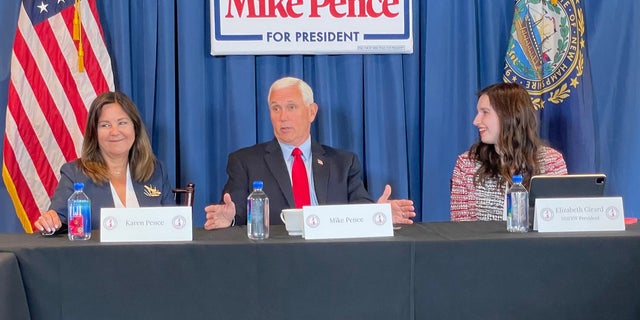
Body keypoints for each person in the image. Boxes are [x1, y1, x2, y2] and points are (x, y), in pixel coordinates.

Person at [204, 76, 415, 229]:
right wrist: (229, 218)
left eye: (291, 107)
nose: (283, 116)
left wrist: (377, 214)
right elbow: (237, 211)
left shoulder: (343, 162)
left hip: (331, 257)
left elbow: (359, 209)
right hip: (273, 259)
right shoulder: (245, 161)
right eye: (276, 108)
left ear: (311, 112)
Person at [34, 91, 174, 234]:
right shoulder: (74, 174)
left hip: (151, 256)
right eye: (105, 125)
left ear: (135, 128)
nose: (115, 131)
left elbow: (172, 225)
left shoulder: (156, 170)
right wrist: (51, 221)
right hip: (95, 256)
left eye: (122, 123)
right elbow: (59, 220)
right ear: (94, 133)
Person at [450, 82, 568, 221]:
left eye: (485, 112)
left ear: (509, 115)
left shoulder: (552, 161)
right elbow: (460, 230)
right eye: (478, 113)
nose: (476, 121)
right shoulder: (467, 164)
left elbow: (560, 221)